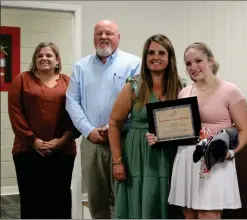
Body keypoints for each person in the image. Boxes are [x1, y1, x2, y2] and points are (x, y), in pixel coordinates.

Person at [148, 42, 247, 219]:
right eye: (188, 64)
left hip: (214, 160)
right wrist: (159, 137)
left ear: (210, 61)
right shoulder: (184, 93)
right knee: (190, 215)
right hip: (186, 158)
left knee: (207, 215)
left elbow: (244, 131)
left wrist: (230, 153)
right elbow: (178, 130)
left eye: (198, 61)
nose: (193, 67)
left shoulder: (231, 91)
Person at [65, 20, 141, 219]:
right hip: (92, 143)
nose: (103, 37)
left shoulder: (134, 64)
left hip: (124, 141)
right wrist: (89, 130)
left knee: (124, 198)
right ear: (93, 37)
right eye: (99, 33)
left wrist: (111, 128)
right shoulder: (81, 67)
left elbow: (138, 102)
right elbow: (72, 102)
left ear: (118, 37)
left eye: (109, 33)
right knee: (96, 201)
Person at [108, 34, 185, 218]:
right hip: (138, 156)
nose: (156, 57)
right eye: (151, 53)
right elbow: (114, 123)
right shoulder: (133, 86)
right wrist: (117, 162)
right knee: (138, 205)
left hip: (169, 155)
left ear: (170, 57)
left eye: (161, 53)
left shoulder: (181, 86)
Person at [8, 42, 79, 219]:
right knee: (32, 201)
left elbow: (77, 114)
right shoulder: (22, 80)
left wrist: (62, 140)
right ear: (34, 60)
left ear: (57, 60)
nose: (44, 58)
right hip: (28, 152)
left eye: (49, 55)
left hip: (62, 151)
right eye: (40, 55)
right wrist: (34, 141)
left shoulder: (68, 82)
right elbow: (15, 113)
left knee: (59, 201)